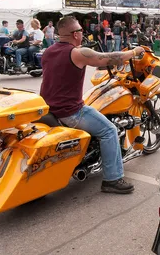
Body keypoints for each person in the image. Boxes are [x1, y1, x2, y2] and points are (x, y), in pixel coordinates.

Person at [40, 16, 145, 194]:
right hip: (70, 112)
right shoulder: (77, 53)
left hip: (47, 108)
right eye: (80, 30)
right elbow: (110, 58)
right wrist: (135, 51)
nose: (83, 33)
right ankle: (112, 179)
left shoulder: (49, 51)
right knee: (110, 131)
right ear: (75, 34)